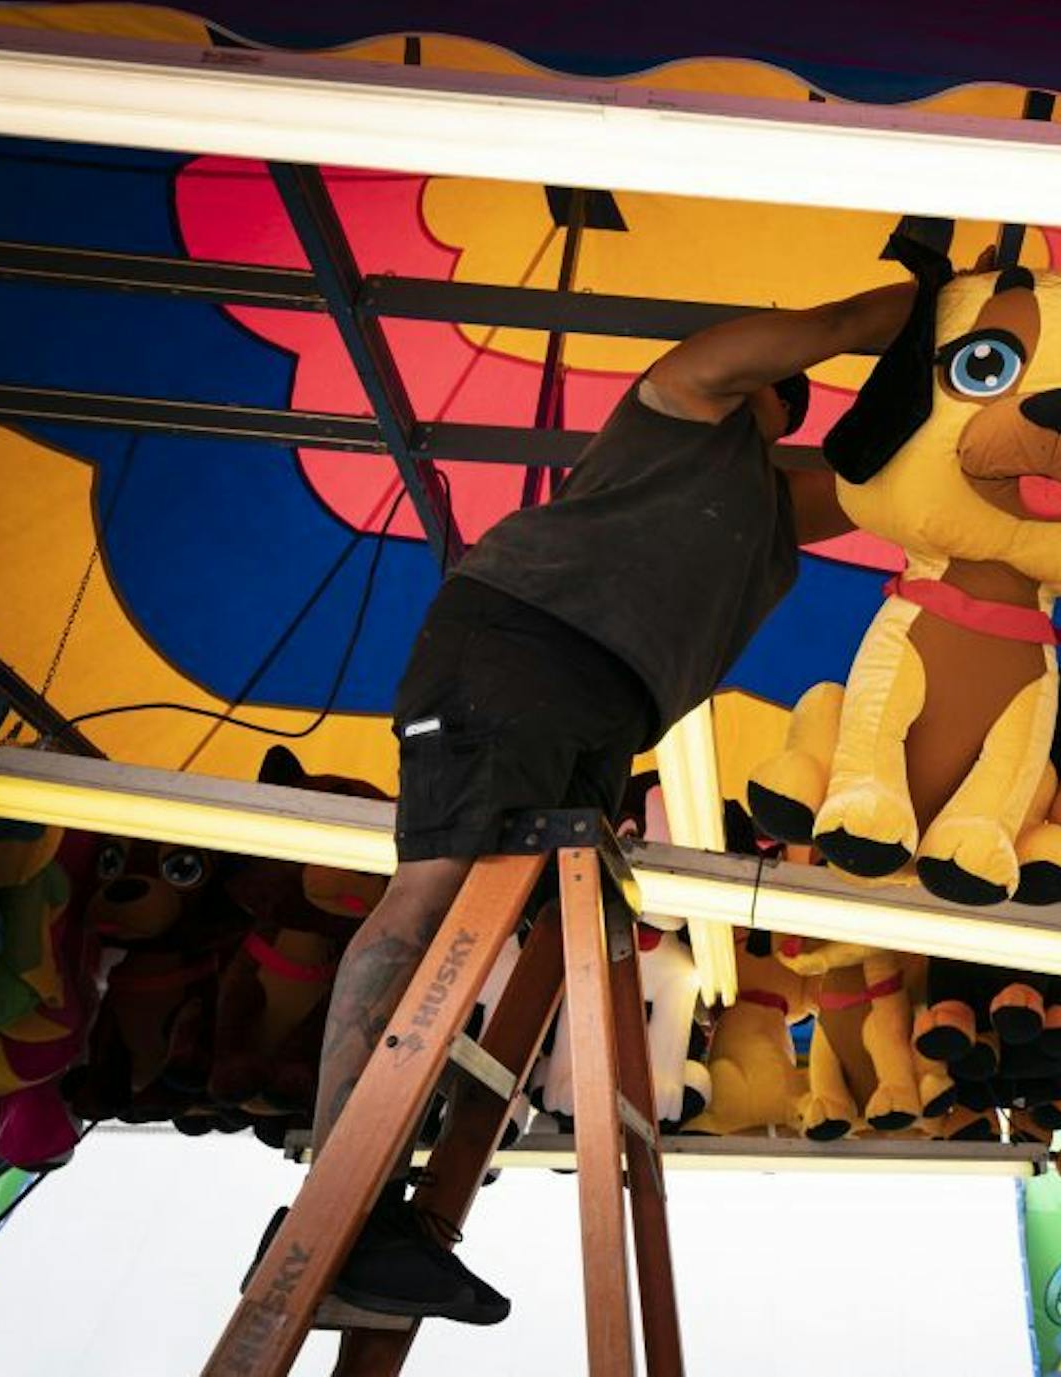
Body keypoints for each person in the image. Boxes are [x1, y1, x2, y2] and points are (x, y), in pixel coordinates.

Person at [263, 280, 914, 1327]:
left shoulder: (771, 506)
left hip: (606, 707)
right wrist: (933, 306)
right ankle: (336, 1208)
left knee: (498, 935)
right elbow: (832, 328)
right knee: (431, 899)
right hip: (522, 644)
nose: (787, 396)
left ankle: (392, 1215)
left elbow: (891, 481)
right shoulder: (680, 403)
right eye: (783, 385)